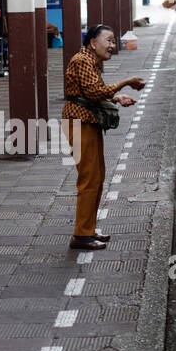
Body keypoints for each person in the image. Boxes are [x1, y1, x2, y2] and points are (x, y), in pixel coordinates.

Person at [61, 24, 145, 251]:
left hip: (88, 122)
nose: (112, 45)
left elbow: (91, 93)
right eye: (108, 40)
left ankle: (87, 229)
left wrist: (117, 98)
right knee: (89, 178)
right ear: (92, 42)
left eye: (114, 41)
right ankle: (81, 234)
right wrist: (125, 82)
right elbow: (95, 92)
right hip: (79, 123)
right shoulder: (82, 60)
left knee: (97, 177)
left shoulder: (90, 61)